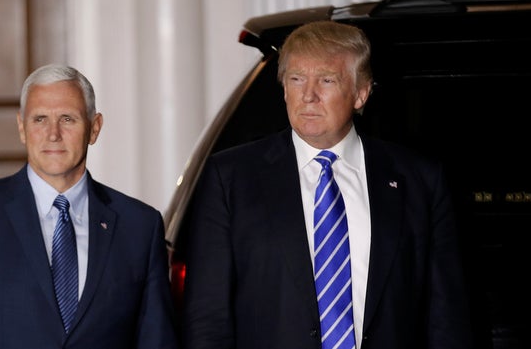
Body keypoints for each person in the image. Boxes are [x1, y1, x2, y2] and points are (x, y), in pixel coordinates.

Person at [181, 20, 473, 349]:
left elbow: (447, 317)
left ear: (361, 94)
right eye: (296, 79)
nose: (308, 95)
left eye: (327, 80)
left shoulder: (419, 179)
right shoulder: (230, 177)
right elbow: (207, 317)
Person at [0, 64, 178, 349]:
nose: (53, 134)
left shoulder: (139, 227)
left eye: (67, 119)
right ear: (22, 128)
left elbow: (157, 339)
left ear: (95, 128)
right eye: (39, 119)